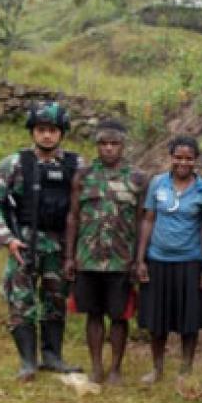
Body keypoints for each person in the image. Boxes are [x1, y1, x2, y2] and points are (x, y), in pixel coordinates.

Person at [0, 101, 82, 381]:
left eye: (53, 130)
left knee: (56, 300)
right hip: (24, 244)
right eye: (41, 129)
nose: (47, 135)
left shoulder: (76, 165)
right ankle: (28, 362)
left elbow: (89, 205)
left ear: (62, 133)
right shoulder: (15, 163)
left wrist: (78, 246)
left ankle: (53, 357)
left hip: (61, 246)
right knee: (21, 302)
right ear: (32, 131)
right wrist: (8, 239)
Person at [64, 119, 147, 384]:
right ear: (97, 145)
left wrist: (139, 259)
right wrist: (69, 256)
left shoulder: (137, 178)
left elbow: (142, 220)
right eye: (103, 143)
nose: (108, 148)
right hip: (88, 258)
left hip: (121, 260)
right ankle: (97, 367)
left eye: (114, 143)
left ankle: (116, 369)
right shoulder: (83, 176)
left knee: (119, 316)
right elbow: (73, 216)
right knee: (93, 313)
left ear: (123, 146)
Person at [135, 135, 202, 384]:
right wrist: (141, 259)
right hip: (158, 260)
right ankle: (157, 369)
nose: (183, 163)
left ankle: (185, 371)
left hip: (190, 262)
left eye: (189, 158)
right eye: (178, 157)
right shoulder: (158, 183)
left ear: (196, 160)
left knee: (189, 321)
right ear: (171, 157)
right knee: (157, 320)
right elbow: (148, 220)